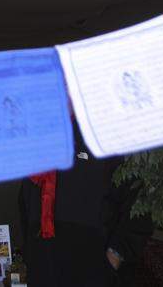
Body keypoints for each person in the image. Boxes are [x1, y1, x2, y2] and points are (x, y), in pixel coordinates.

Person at [19, 121, 152, 286]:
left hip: (94, 271)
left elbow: (139, 204)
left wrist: (115, 255)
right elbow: (26, 204)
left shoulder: (113, 133)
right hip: (44, 269)